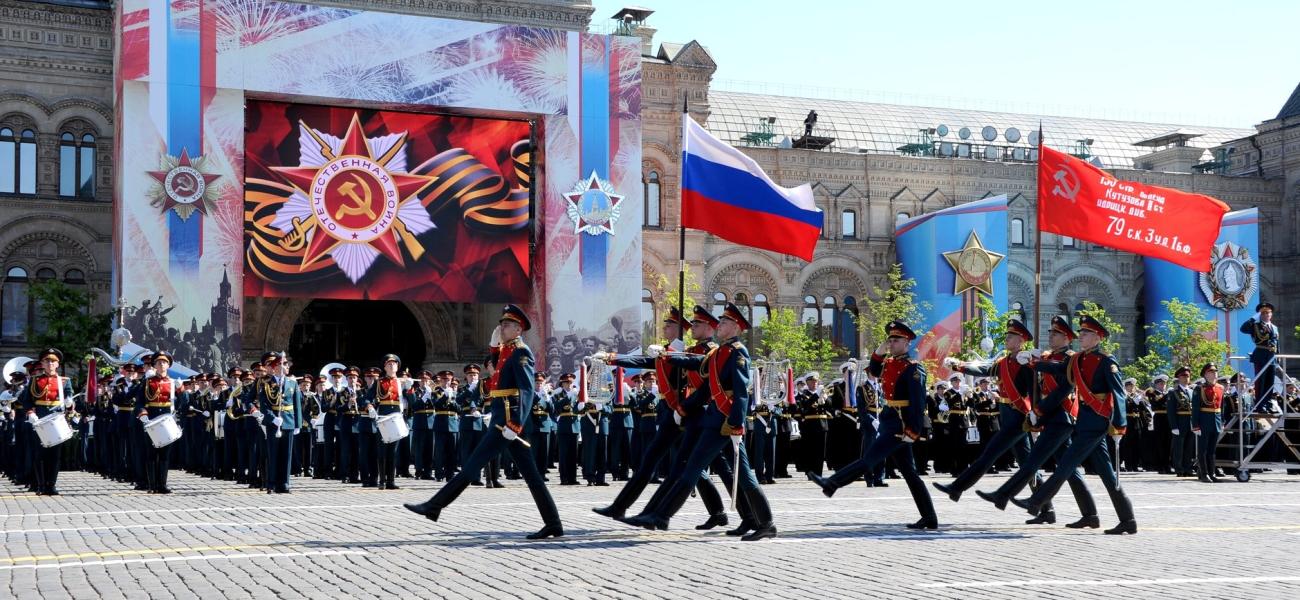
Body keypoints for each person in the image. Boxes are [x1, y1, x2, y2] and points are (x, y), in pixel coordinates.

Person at [405, 304, 564, 540]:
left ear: (519, 329)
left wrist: (515, 424)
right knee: (532, 476)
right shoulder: (508, 349)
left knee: (471, 465)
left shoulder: (522, 352)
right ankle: (553, 523)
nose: (502, 327)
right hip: (502, 420)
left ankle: (434, 506)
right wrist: (493, 345)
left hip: (507, 423)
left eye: (507, 324)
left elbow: (526, 390)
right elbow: (497, 365)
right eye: (501, 323)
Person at [620, 303, 775, 541]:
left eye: (723, 322)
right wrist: (667, 356)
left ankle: (661, 515)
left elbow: (742, 392)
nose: (719, 325)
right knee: (738, 474)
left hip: (725, 421)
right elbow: (701, 374)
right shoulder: (720, 353)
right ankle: (762, 522)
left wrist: (736, 423)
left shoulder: (738, 352)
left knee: (696, 470)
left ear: (735, 327)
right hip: (715, 419)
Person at [589, 307, 728, 528]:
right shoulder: (671, 350)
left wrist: (682, 406)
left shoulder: (698, 351)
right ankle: (627, 508)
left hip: (688, 412)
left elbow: (699, 381)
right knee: (676, 465)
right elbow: (645, 361)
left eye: (669, 325)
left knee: (687, 466)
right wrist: (611, 358)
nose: (664, 328)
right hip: (671, 410)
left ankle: (654, 514)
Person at [1009, 315, 1136, 535]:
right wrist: (1034, 363)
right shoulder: (1077, 359)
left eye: (1086, 333)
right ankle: (1116, 518)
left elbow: (1118, 393)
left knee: (1066, 465)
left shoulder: (1107, 361)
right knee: (1107, 474)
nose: (1081, 336)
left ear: (1097, 337)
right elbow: (1059, 370)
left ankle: (1036, 502)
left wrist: (1120, 424)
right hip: (1085, 419)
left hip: (1098, 419)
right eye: (1082, 333)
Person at [807, 322, 937, 530]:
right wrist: (880, 349)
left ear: (907, 342)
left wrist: (913, 430)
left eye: (896, 340)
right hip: (889, 420)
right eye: (890, 340)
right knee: (910, 473)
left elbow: (918, 402)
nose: (892, 343)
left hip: (900, 424)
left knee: (869, 459)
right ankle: (929, 516)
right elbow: (874, 369)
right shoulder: (890, 362)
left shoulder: (914, 368)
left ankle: (832, 483)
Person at [974, 316, 1099, 527]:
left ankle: (1007, 496)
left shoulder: (1070, 358)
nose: (1050, 336)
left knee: (1034, 460)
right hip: (1050, 417)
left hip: (1062, 416)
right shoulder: (1048, 356)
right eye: (1050, 332)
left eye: (1055, 333)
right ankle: (1087, 514)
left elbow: (1063, 389)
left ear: (1067, 337)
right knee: (1068, 470)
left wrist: (1038, 409)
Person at [934, 319, 1039, 503]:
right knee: (1026, 462)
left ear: (1021, 341)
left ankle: (957, 487)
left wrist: (1036, 413)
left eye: (1011, 336)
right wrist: (959, 365)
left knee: (989, 454)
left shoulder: (1026, 362)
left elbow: (1034, 390)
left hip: (1018, 415)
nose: (1006, 339)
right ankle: (1046, 507)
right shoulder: (1003, 362)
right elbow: (983, 368)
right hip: (1006, 412)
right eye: (1007, 335)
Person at [17, 348, 75, 495]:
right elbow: (27, 401)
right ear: (42, 363)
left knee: (55, 455)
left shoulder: (64, 381)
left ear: (57, 364)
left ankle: (51, 484)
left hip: (56, 418)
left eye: (53, 361)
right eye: (47, 361)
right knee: (40, 453)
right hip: (40, 419)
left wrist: (69, 404)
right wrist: (30, 413)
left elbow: (70, 399)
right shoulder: (35, 380)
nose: (50, 363)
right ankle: (41, 485)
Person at [133, 351, 180, 493]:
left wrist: (181, 391)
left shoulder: (172, 383)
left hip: (167, 418)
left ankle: (162, 485)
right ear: (154, 366)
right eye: (158, 362)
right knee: (152, 453)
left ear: (168, 365)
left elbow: (182, 404)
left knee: (165, 454)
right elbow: (140, 401)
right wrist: (142, 414)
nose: (161, 364)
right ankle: (152, 485)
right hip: (151, 418)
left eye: (164, 362)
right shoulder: (148, 381)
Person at [259, 352, 303, 494]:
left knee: (286, 454)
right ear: (275, 367)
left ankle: (284, 483)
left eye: (285, 364)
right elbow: (264, 406)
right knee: (273, 453)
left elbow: (297, 405)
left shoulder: (292, 383)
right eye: (282, 364)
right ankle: (271, 483)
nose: (285, 366)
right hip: (274, 423)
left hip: (289, 422)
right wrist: (273, 418)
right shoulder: (267, 384)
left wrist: (298, 424)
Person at [1240, 302, 1279, 407]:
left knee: (1270, 381)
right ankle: (1260, 404)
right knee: (1260, 381)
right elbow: (1243, 329)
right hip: (1261, 355)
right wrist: (1254, 318)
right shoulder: (1255, 325)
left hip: (1272, 356)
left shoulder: (1274, 327)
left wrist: (1278, 357)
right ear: (1260, 315)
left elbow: (1276, 342)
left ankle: (1268, 402)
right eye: (1264, 313)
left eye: (1269, 313)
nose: (1267, 315)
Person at [1192, 364, 1225, 483]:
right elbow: (1195, 408)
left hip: (1216, 420)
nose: (1214, 373)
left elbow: (1222, 406)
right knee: (1203, 450)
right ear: (1205, 375)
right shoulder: (1199, 388)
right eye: (1211, 372)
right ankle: (1204, 474)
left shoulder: (1220, 388)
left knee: (1212, 450)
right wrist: (1195, 425)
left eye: (1215, 371)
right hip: (1204, 420)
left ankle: (1212, 473)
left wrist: (1222, 421)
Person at [1166, 366, 1197, 478]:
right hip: (1180, 421)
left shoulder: (1192, 392)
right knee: (1179, 447)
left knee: (1189, 447)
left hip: (1190, 422)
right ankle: (1179, 468)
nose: (1186, 378)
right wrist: (1174, 426)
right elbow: (1170, 411)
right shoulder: (1173, 392)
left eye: (1188, 376)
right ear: (1179, 377)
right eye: (1184, 376)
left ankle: (1188, 468)